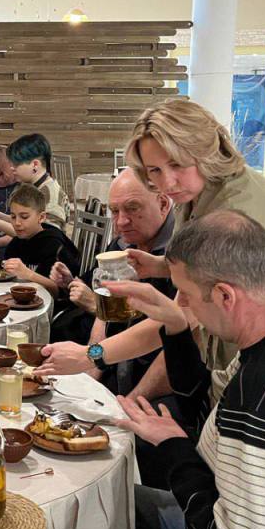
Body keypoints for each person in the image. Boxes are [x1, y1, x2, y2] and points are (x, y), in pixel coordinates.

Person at [110, 212, 265, 529]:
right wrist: (175, 327)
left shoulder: (260, 402)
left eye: (184, 294)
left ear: (224, 296)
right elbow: (208, 408)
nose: (181, 303)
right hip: (230, 523)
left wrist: (175, 451)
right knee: (103, 500)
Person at [39, 98, 265, 385]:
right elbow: (197, 267)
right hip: (230, 336)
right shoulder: (196, 190)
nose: (167, 183)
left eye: (177, 164)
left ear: (205, 150)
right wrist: (158, 265)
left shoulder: (233, 211)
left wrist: (91, 355)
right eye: (154, 170)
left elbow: (180, 316)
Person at [48, 169, 175, 395]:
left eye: (133, 208)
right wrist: (89, 384)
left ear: (163, 204)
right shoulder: (122, 245)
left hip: (162, 384)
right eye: (114, 211)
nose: (121, 222)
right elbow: (103, 318)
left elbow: (173, 344)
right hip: (116, 364)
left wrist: (128, 403)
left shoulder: (182, 259)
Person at [0, 133, 67, 234]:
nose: (11, 168)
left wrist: (0, 225)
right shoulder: (32, 186)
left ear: (35, 165)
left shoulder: (50, 194)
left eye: (16, 164)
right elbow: (25, 222)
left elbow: (45, 237)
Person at [0, 185, 80, 295]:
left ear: (41, 217)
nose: (17, 223)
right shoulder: (16, 243)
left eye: (24, 217)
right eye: (13, 217)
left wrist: (28, 274)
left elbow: (59, 292)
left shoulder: (53, 246)